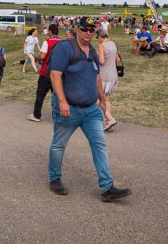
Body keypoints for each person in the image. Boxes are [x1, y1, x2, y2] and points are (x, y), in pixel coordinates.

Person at [48, 16, 131, 202]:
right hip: (69, 108)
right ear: (78, 30)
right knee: (59, 145)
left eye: (91, 30)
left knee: (99, 144)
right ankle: (54, 178)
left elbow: (96, 78)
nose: (88, 33)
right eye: (85, 29)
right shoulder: (65, 48)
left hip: (90, 110)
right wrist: (62, 102)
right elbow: (55, 75)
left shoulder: (93, 51)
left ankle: (107, 187)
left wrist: (102, 100)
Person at [28, 23, 61, 122]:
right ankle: (56, 116)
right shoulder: (61, 42)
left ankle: (36, 115)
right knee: (57, 95)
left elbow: (42, 56)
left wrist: (38, 59)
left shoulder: (47, 42)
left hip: (46, 72)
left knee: (40, 94)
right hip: (58, 72)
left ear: (50, 31)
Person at [96, 28, 120, 131]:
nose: (98, 39)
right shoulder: (113, 44)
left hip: (104, 76)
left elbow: (101, 61)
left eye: (97, 37)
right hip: (113, 74)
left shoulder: (102, 45)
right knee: (106, 99)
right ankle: (108, 122)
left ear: (100, 36)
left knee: (97, 99)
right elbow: (117, 60)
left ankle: (110, 119)